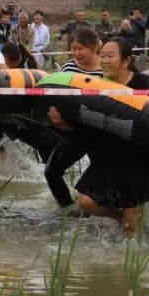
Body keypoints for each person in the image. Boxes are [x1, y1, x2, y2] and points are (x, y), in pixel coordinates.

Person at [46, 38, 149, 236]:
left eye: (110, 56)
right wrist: (64, 125)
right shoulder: (96, 85)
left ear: (126, 60)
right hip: (107, 155)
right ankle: (118, 216)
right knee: (85, 202)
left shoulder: (142, 83)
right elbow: (86, 128)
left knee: (130, 230)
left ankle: (129, 255)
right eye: (102, 55)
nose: (105, 60)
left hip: (136, 157)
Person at [43, 27, 104, 212]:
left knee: (102, 172)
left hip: (101, 134)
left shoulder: (106, 69)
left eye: (80, 48)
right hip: (73, 130)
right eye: (73, 48)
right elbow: (55, 94)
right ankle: (67, 209)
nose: (76, 53)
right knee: (51, 171)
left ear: (94, 47)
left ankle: (101, 208)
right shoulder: (69, 68)